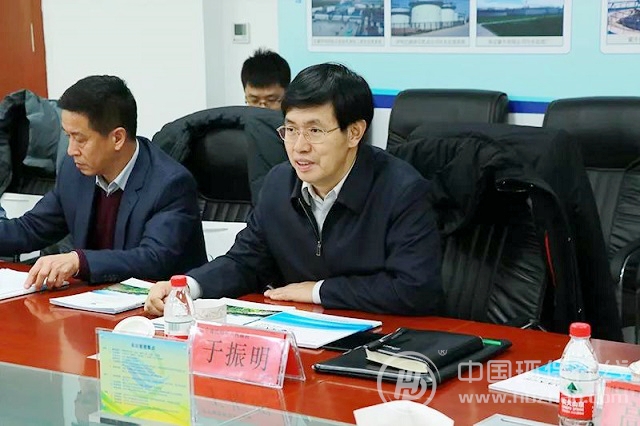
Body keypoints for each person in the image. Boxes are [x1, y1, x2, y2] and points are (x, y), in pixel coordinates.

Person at [145, 63, 442, 316]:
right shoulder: (279, 183)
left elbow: (414, 288)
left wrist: (317, 291)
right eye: (291, 129)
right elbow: (245, 262)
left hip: (384, 340)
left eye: (314, 131)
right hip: (305, 332)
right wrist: (187, 287)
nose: (299, 146)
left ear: (354, 133)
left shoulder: (401, 190)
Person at [0, 75, 207, 290]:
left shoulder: (170, 183)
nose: (71, 150)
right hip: (92, 299)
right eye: (68, 137)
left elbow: (153, 259)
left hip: (158, 303)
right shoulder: (75, 171)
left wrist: (80, 261)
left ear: (117, 138)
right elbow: (30, 229)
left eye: (80, 139)